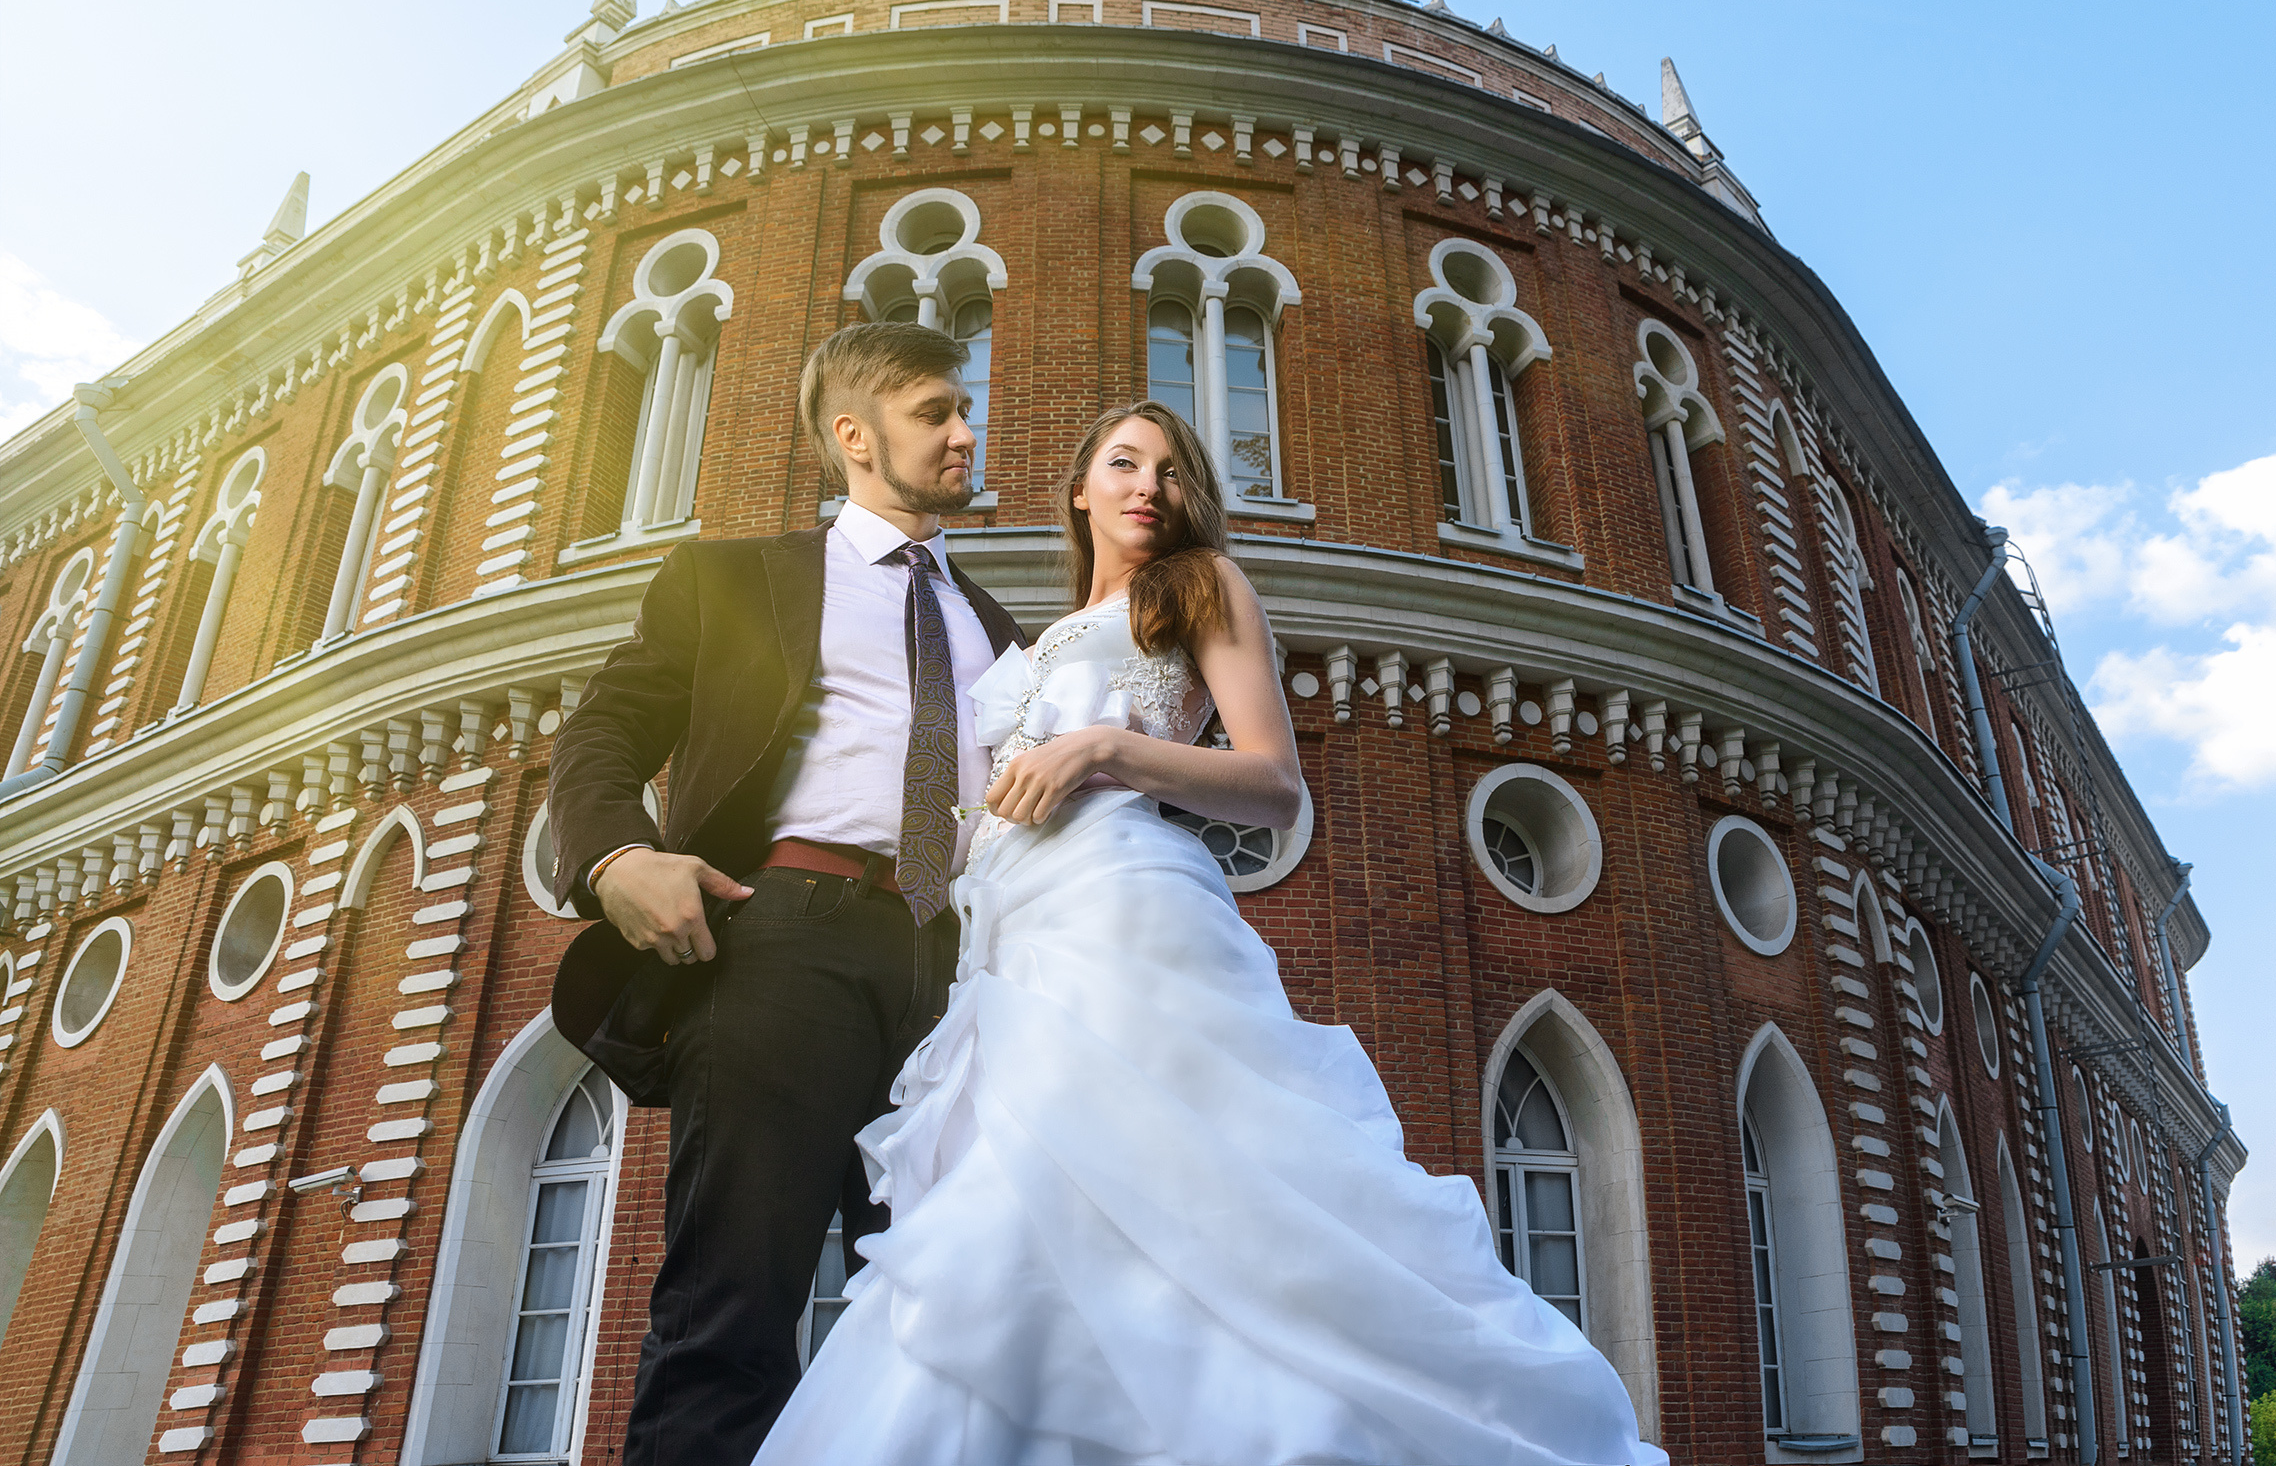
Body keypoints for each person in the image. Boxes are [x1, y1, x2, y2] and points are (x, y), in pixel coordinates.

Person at [753, 401, 1666, 1466]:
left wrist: (1104, 750)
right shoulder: (1038, 636)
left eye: (1172, 470)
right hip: (1005, 937)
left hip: (1118, 907)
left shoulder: (1202, 585)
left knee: (1125, 1180)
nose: (1149, 485)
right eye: (1123, 463)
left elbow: (1273, 785)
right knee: (1036, 1203)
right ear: (1080, 490)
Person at [546, 321, 1025, 1466]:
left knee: (947, 1321)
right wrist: (615, 859)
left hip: (958, 971)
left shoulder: (999, 629)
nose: (964, 433)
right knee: (731, 1313)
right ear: (855, 436)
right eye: (935, 413)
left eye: (964, 411)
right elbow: (604, 733)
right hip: (785, 942)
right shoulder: (728, 579)